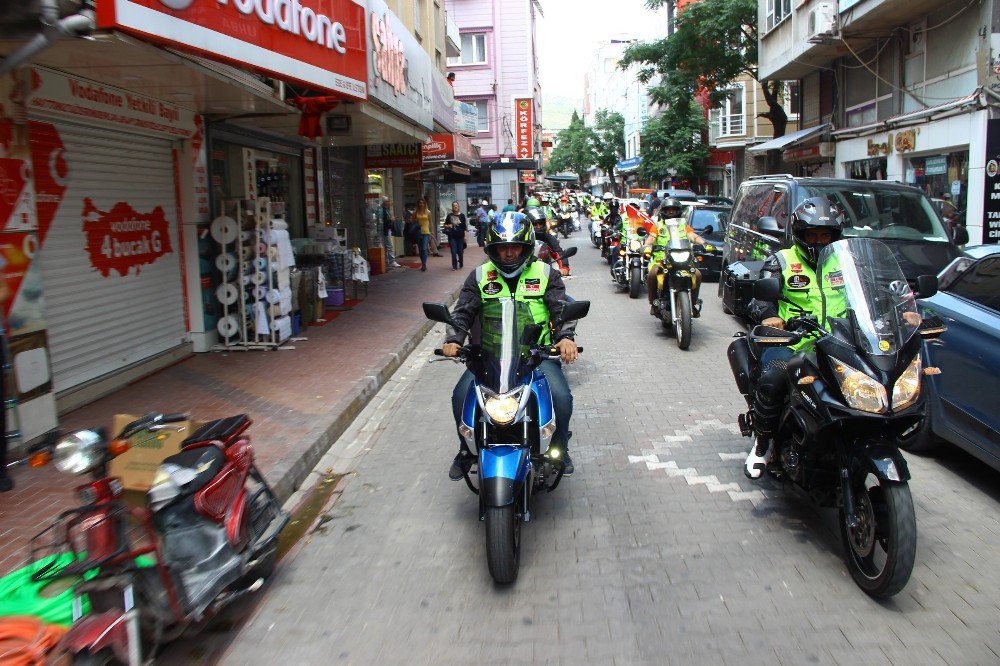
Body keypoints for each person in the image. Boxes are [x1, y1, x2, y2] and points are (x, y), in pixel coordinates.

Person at [444, 212, 579, 478]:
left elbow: (561, 309)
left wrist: (565, 338)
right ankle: (466, 450)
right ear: (493, 249)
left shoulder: (545, 273)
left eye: (514, 246)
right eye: (502, 248)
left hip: (537, 356)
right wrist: (453, 340)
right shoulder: (480, 276)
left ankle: (560, 450)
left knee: (562, 399)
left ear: (526, 246)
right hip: (489, 357)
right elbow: (462, 313)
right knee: (460, 397)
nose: (508, 254)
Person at [742, 197, 845, 478]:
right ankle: (763, 443)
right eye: (812, 235)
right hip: (792, 342)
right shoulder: (781, 260)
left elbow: (871, 292)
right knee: (774, 380)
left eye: (826, 235)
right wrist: (769, 317)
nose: (819, 241)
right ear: (800, 234)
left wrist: (897, 311)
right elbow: (759, 301)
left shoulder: (846, 261)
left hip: (839, 342)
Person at [644, 198, 705, 317]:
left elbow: (692, 236)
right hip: (661, 260)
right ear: (663, 211)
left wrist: (704, 243)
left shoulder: (683, 225)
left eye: (674, 209)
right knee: (652, 274)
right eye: (668, 210)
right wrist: (646, 247)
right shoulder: (657, 226)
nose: (671, 212)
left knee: (697, 275)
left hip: (683, 260)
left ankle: (691, 303)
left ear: (679, 211)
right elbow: (650, 239)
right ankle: (653, 303)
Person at [442, 201, 468, 271]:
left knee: (460, 252)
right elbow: (444, 224)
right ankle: (454, 266)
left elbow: (464, 227)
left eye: (456, 205)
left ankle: (461, 262)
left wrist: (465, 236)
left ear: (458, 207)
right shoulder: (449, 215)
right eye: (454, 206)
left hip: (460, 236)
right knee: (453, 252)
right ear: (452, 207)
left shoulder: (462, 215)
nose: (455, 207)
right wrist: (448, 225)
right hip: (452, 236)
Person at [380, 197, 401, 269]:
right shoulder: (383, 210)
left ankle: (387, 261)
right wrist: (391, 220)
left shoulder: (386, 210)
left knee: (387, 246)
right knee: (389, 245)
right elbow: (384, 221)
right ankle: (391, 261)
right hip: (385, 230)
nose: (389, 202)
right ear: (384, 202)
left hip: (387, 229)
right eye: (387, 201)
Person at [414, 198, 432, 272]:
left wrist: (431, 232)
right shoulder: (416, 212)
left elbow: (430, 222)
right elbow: (413, 220)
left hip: (426, 232)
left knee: (424, 248)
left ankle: (424, 264)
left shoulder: (428, 212)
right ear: (418, 204)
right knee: (421, 250)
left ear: (425, 204)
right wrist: (414, 222)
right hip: (418, 232)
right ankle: (423, 263)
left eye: (423, 203)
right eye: (420, 203)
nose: (421, 204)